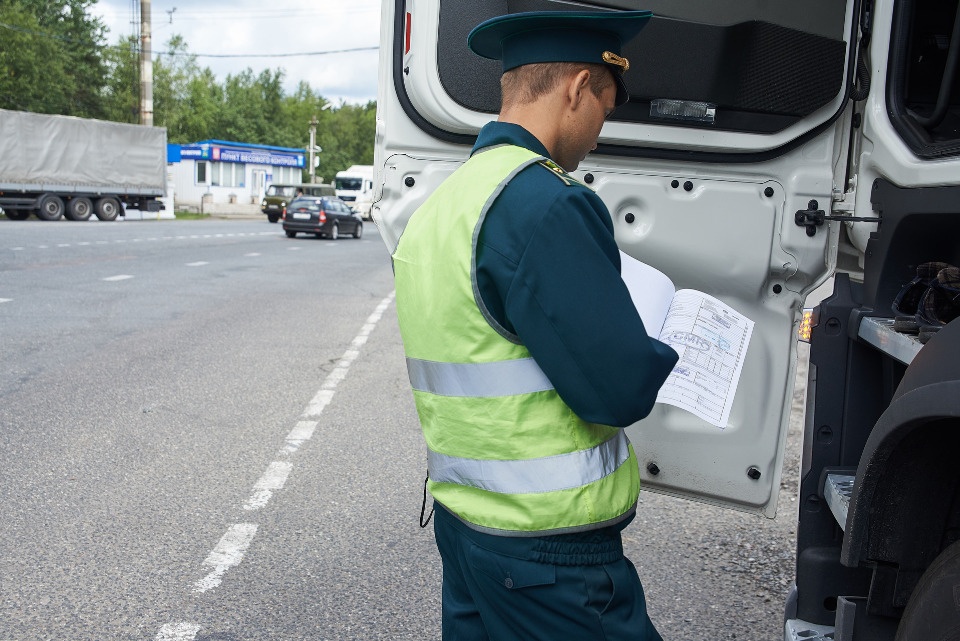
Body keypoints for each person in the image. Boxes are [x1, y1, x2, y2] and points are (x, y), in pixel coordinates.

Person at [391, 10, 679, 640]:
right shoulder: (549, 202)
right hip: (547, 554)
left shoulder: (443, 206)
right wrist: (661, 339)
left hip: (465, 527)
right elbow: (618, 390)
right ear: (578, 88)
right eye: (603, 108)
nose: (600, 132)